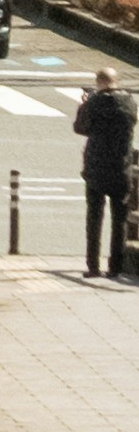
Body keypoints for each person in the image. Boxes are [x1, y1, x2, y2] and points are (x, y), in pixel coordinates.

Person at [82, 65, 132, 281]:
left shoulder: (93, 103)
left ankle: (93, 266)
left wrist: (84, 105)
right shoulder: (129, 103)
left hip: (95, 167)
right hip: (121, 167)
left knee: (94, 218)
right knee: (119, 220)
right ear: (116, 81)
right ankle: (116, 267)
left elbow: (80, 127)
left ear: (99, 82)